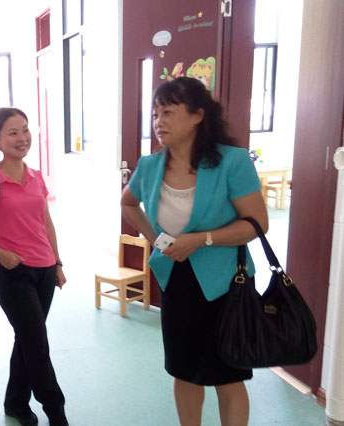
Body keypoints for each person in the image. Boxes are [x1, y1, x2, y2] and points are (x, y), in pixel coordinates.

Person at [120, 77, 268, 426]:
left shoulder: (232, 162)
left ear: (198, 115)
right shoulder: (150, 165)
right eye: (155, 114)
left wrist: (202, 239)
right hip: (176, 278)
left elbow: (257, 224)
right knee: (184, 370)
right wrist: (158, 240)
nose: (159, 122)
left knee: (228, 375)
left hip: (226, 282)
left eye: (168, 112)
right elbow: (128, 203)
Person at [0, 107, 69, 426]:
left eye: (25, 130)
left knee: (27, 340)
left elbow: (46, 223)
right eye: (13, 132)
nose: (22, 138)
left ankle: (15, 403)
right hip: (13, 274)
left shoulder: (36, 176)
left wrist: (57, 263)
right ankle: (57, 413)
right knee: (37, 345)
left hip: (45, 271)